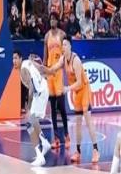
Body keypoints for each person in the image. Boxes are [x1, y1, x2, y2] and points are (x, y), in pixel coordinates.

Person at [44, 36, 99, 163]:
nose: (63, 47)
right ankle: (78, 152)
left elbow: (79, 82)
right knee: (78, 123)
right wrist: (43, 70)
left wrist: (67, 89)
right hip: (76, 93)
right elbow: (53, 69)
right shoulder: (63, 59)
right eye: (62, 45)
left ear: (70, 46)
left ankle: (96, 150)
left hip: (84, 90)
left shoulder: (76, 61)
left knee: (88, 120)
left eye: (65, 45)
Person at [14, 51, 51, 166]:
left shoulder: (23, 70)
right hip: (43, 89)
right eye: (13, 59)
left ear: (21, 58)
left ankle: (40, 156)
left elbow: (30, 89)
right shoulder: (27, 62)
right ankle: (44, 143)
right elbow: (40, 68)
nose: (14, 61)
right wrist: (50, 72)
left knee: (29, 124)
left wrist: (28, 108)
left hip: (39, 93)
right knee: (33, 120)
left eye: (16, 58)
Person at [43, 13, 69, 149]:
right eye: (51, 19)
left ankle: (66, 134)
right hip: (50, 73)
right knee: (52, 107)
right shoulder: (47, 36)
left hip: (58, 72)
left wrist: (64, 66)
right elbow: (45, 56)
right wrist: (44, 71)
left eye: (54, 19)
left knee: (62, 106)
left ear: (57, 21)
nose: (52, 21)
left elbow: (66, 53)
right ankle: (57, 138)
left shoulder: (62, 35)